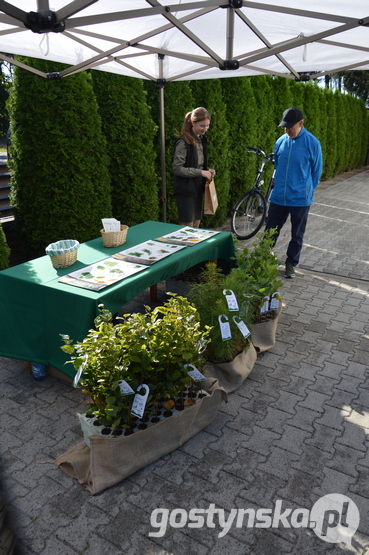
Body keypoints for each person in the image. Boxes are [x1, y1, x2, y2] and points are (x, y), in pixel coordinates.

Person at [265, 107, 323, 279]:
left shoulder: (312, 143)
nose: (287, 130)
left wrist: (306, 191)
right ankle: (262, 258)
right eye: (285, 126)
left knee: (296, 235)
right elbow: (277, 165)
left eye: (290, 126)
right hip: (279, 197)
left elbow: (316, 172)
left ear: (301, 123)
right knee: (270, 231)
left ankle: (291, 263)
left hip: (300, 200)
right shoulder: (280, 141)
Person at [173, 107, 216, 227]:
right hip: (185, 190)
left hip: (198, 188)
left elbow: (198, 165)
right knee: (188, 228)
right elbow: (177, 168)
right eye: (202, 126)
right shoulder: (183, 142)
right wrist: (201, 173)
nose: (205, 129)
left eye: (207, 126)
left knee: (197, 224)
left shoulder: (202, 140)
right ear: (193, 123)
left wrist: (207, 171)